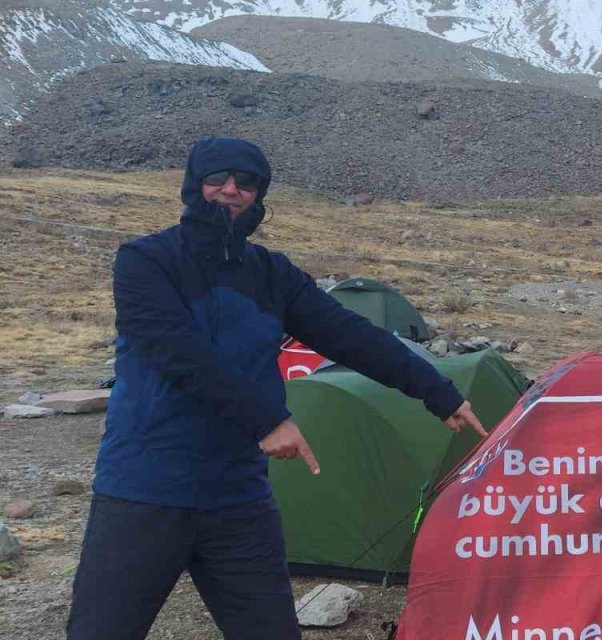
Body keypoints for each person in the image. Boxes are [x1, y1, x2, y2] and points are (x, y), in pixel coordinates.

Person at [66, 137, 486, 640]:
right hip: (144, 487)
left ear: (259, 195)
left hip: (236, 495)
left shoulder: (271, 274)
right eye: (218, 178)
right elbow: (180, 353)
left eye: (245, 183)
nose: (230, 190)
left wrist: (437, 391)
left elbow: (349, 335)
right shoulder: (146, 262)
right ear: (193, 184)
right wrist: (267, 419)